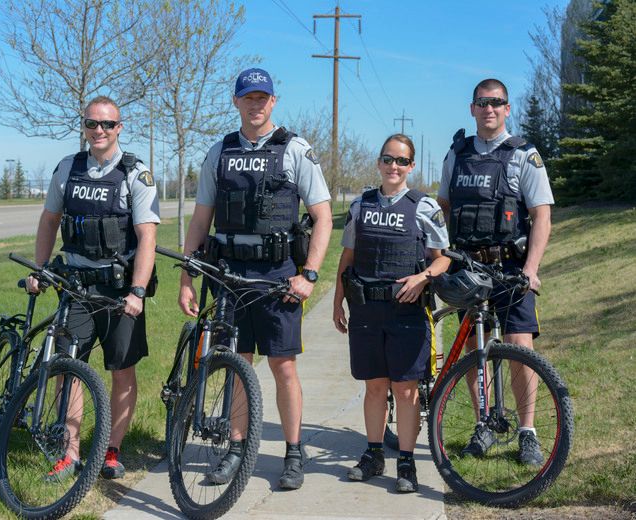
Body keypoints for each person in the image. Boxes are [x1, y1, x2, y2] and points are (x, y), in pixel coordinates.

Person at [177, 68, 333, 490]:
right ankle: (236, 448)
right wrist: (188, 276)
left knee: (283, 366)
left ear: (273, 101)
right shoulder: (220, 152)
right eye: (248, 96)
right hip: (229, 275)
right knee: (235, 364)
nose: (256, 103)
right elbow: (200, 218)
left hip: (278, 276)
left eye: (263, 97)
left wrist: (310, 275)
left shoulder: (295, 149)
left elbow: (322, 217)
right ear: (236, 101)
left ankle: (294, 453)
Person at [27, 95, 160, 480]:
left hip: (120, 291)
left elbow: (146, 237)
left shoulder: (135, 173)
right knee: (68, 367)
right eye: (92, 124)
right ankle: (70, 452)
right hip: (77, 285)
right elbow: (50, 219)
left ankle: (112, 450)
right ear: (83, 127)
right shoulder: (68, 168)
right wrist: (40, 268)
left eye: (107, 124)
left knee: (122, 369)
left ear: (119, 128)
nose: (98, 131)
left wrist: (137, 291)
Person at [437, 78, 554, 466]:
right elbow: (444, 207)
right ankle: (484, 423)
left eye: (497, 102)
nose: (489, 108)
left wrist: (531, 268)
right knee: (474, 349)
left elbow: (541, 216)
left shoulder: (524, 154)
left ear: (507, 109)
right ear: (472, 108)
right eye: (482, 102)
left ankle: (527, 432)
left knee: (521, 346)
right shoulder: (457, 154)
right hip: (468, 269)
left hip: (510, 269)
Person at [333, 134, 450, 493]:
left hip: (406, 311)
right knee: (374, 386)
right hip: (366, 308)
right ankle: (372, 454)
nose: (393, 166)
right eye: (388, 159)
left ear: (411, 166)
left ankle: (406, 462)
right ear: (379, 162)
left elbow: (444, 257)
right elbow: (347, 258)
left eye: (401, 161)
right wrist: (337, 301)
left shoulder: (425, 206)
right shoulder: (359, 206)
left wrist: (423, 276)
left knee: (405, 389)